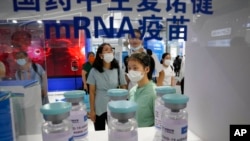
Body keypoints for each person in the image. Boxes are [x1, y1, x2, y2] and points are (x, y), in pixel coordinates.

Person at [87, 43, 127, 131]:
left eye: (110, 50)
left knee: (116, 131)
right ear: (100, 55)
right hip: (99, 106)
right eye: (106, 50)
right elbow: (92, 92)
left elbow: (123, 86)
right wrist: (92, 110)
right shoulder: (94, 71)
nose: (109, 51)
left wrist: (123, 104)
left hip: (115, 105)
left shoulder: (117, 69)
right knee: (99, 132)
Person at [128, 52, 156, 127]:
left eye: (135, 68)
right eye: (129, 68)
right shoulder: (132, 90)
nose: (131, 71)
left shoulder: (154, 92)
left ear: (146, 69)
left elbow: (159, 122)